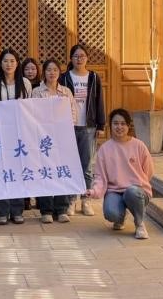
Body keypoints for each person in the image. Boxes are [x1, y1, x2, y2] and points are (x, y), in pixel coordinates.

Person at [86, 108, 154, 239]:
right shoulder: (104, 149)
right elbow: (100, 177)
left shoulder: (139, 145)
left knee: (132, 192)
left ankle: (139, 223)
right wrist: (93, 191)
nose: (119, 127)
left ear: (128, 126)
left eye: (123, 124)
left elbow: (149, 170)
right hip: (115, 191)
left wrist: (141, 185)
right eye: (115, 123)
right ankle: (120, 217)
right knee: (111, 213)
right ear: (110, 126)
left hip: (136, 191)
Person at [59, 44, 106, 217]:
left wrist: (101, 125)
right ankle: (71, 200)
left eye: (82, 56)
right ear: (71, 58)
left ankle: (86, 200)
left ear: (87, 58)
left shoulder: (93, 77)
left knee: (87, 166)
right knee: (71, 164)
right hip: (68, 127)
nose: (79, 59)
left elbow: (99, 101)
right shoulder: (64, 77)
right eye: (76, 56)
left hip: (88, 126)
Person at [31, 59, 77, 224]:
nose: (52, 73)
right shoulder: (37, 92)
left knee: (61, 172)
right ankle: (46, 210)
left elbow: (73, 112)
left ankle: (61, 209)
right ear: (44, 72)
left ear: (59, 72)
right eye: (49, 70)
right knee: (45, 172)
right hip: (43, 138)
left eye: (55, 70)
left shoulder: (66, 92)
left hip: (62, 138)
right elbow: (33, 113)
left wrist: (66, 129)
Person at [0, 48, 32, 225]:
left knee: (18, 172)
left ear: (17, 64)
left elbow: (29, 107)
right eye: (5, 61)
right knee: (1, 171)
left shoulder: (25, 82)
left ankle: (17, 210)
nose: (8, 64)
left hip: (19, 134)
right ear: (0, 64)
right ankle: (2, 211)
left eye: (12, 61)